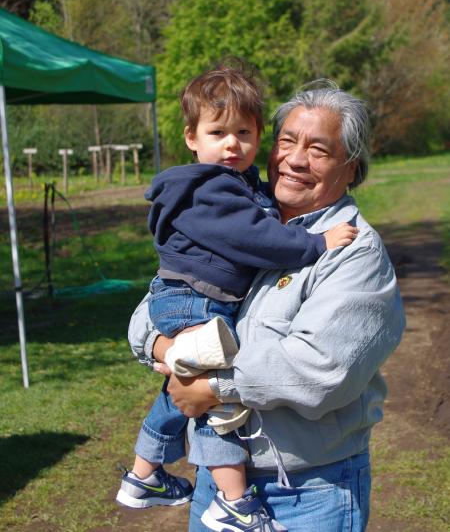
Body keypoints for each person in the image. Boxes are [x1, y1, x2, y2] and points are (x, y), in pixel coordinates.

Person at [130, 80, 406, 531]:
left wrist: (210, 387)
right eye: (287, 142)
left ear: (351, 168)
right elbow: (152, 310)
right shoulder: (243, 225)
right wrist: (168, 350)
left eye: (319, 150)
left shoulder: (354, 252)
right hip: (217, 487)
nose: (296, 159)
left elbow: (320, 371)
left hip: (309, 492)